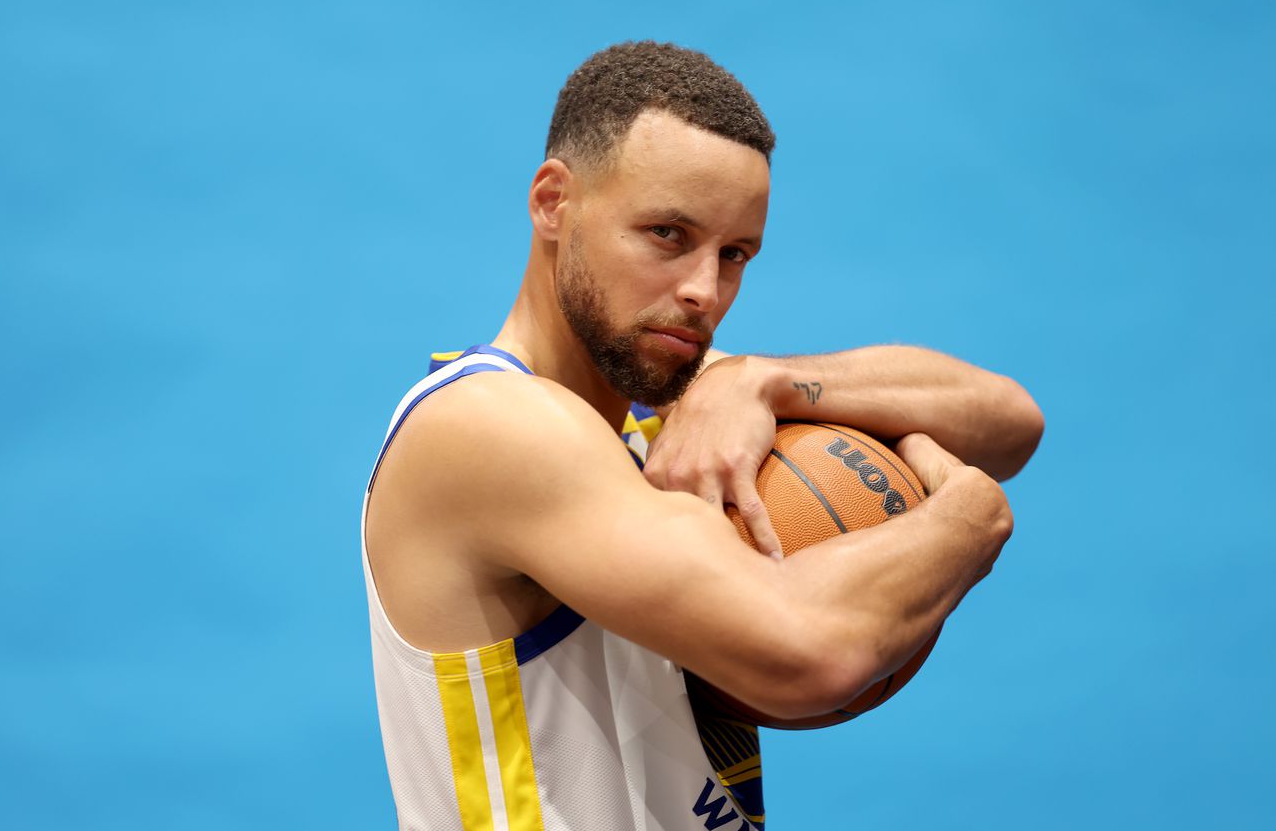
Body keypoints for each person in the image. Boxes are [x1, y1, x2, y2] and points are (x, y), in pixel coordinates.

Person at [361, 41, 1043, 831]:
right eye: (667, 234)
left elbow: (1011, 419)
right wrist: (971, 516)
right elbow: (810, 656)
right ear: (553, 202)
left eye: (736, 254)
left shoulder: (673, 403)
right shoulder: (489, 426)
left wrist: (765, 379)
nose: (702, 290)